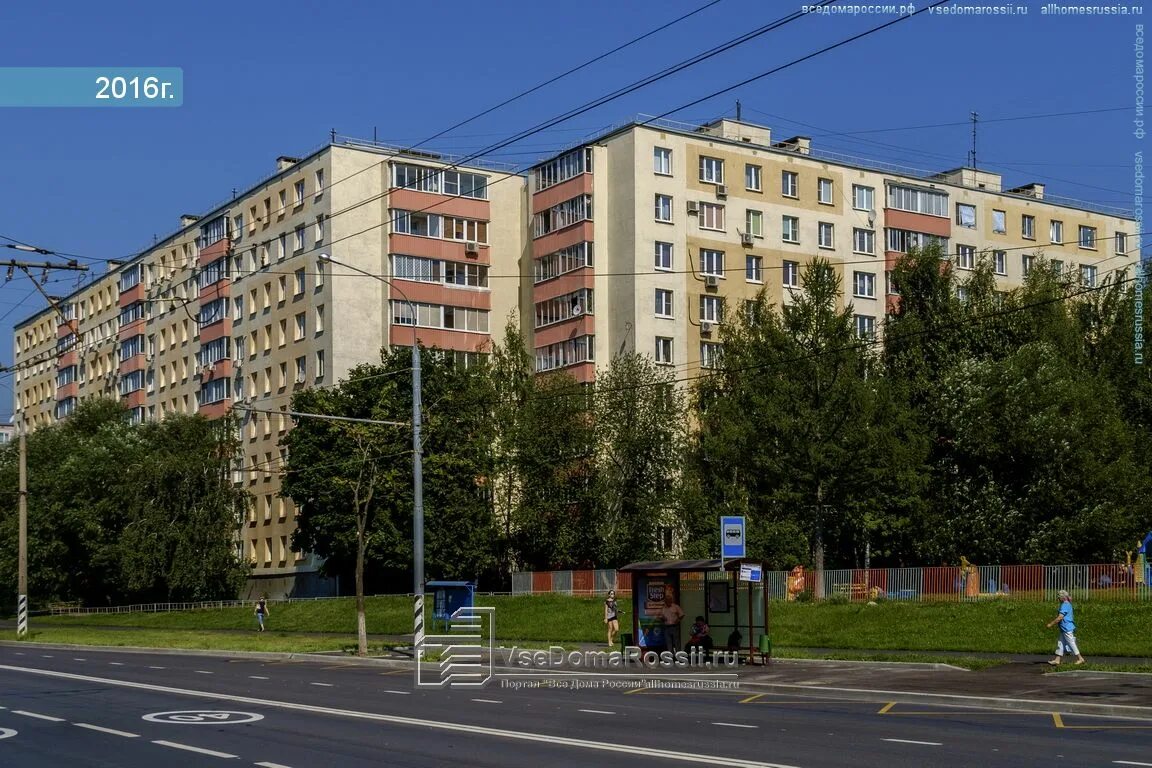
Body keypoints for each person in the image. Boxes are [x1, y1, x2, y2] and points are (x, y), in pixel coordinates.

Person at [1045, 589, 1085, 666]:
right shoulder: (1067, 604)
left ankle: (1080, 658)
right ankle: (1057, 659)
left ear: (1062, 597)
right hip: (1064, 628)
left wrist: (1051, 624)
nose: (1058, 599)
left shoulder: (1065, 605)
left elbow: (1060, 617)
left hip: (1067, 628)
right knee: (1060, 643)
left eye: (1058, 597)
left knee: (1071, 643)